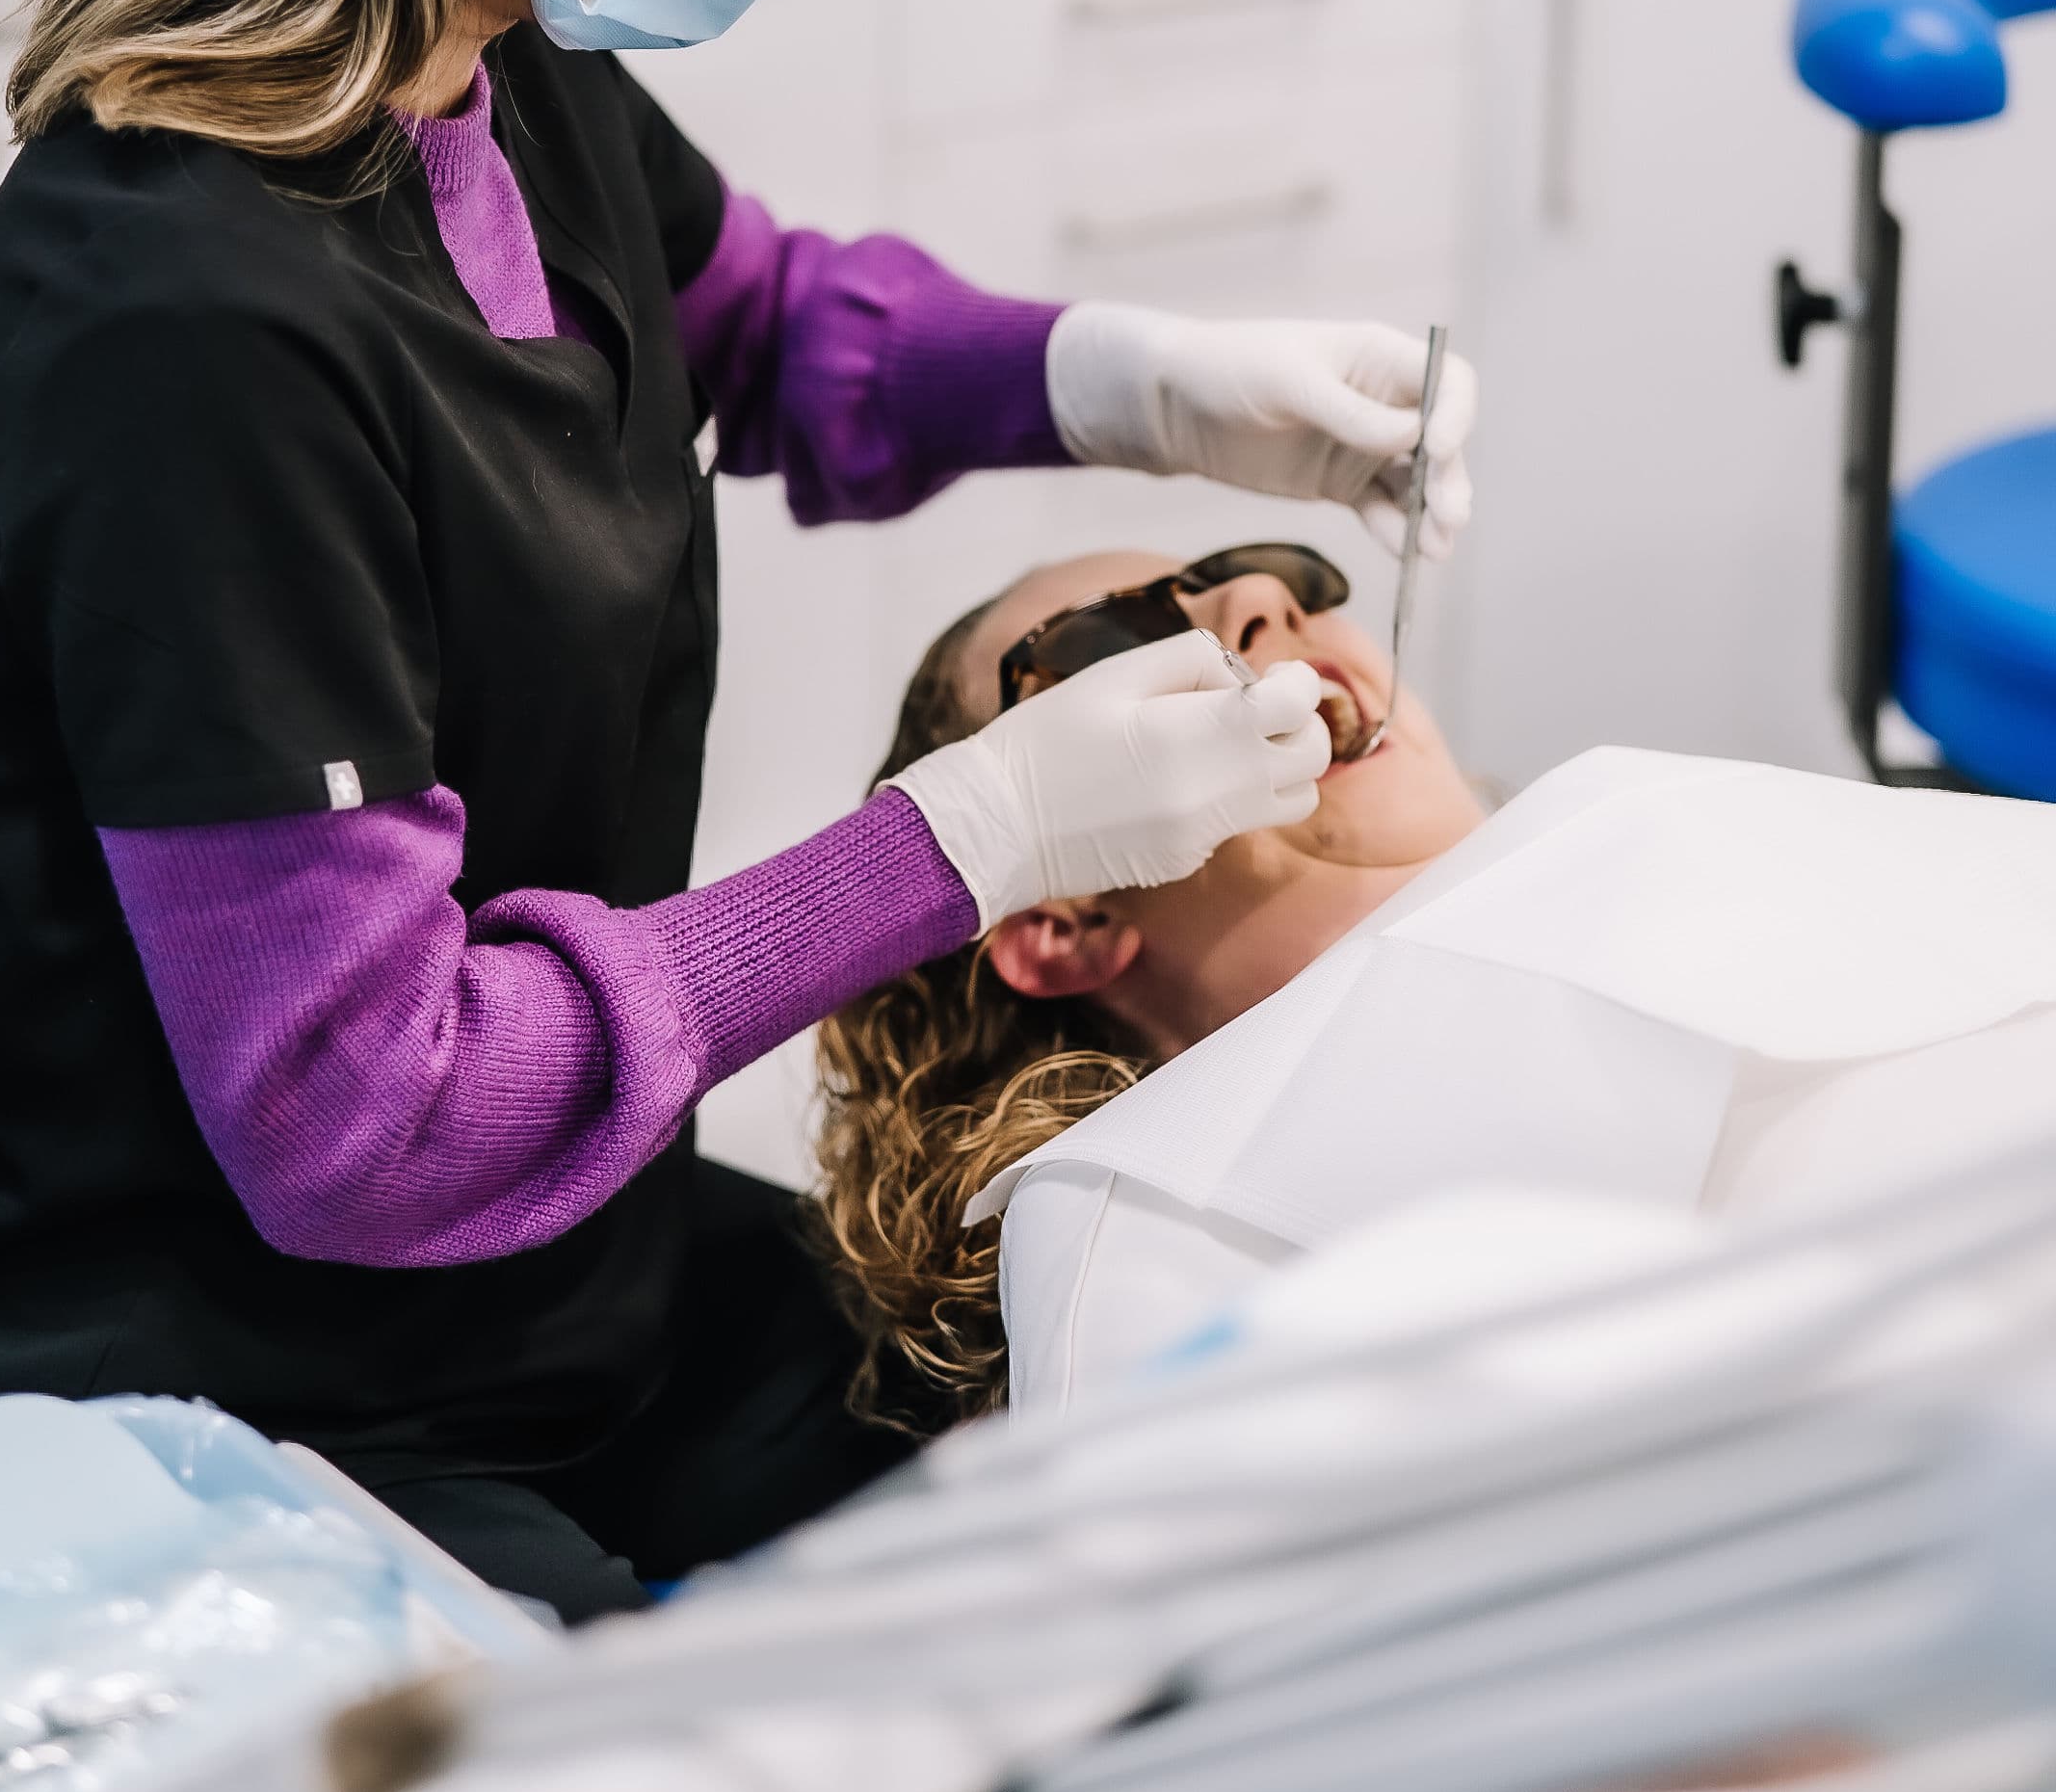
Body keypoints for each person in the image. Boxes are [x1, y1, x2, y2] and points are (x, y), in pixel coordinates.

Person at [0, 0, 1477, 1623]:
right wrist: (955, 837)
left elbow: (760, 324)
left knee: (1131, 1537)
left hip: (558, 1291)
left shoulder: (480, 68)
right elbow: (364, 1123)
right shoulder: (179, 327)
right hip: (216, 1395)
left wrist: (1138, 379)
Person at [821, 543, 2056, 1423]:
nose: (1265, 598)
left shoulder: (1656, 803)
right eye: (1117, 644)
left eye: (1272, 571)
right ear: (1063, 918)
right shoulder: (1144, 1234)